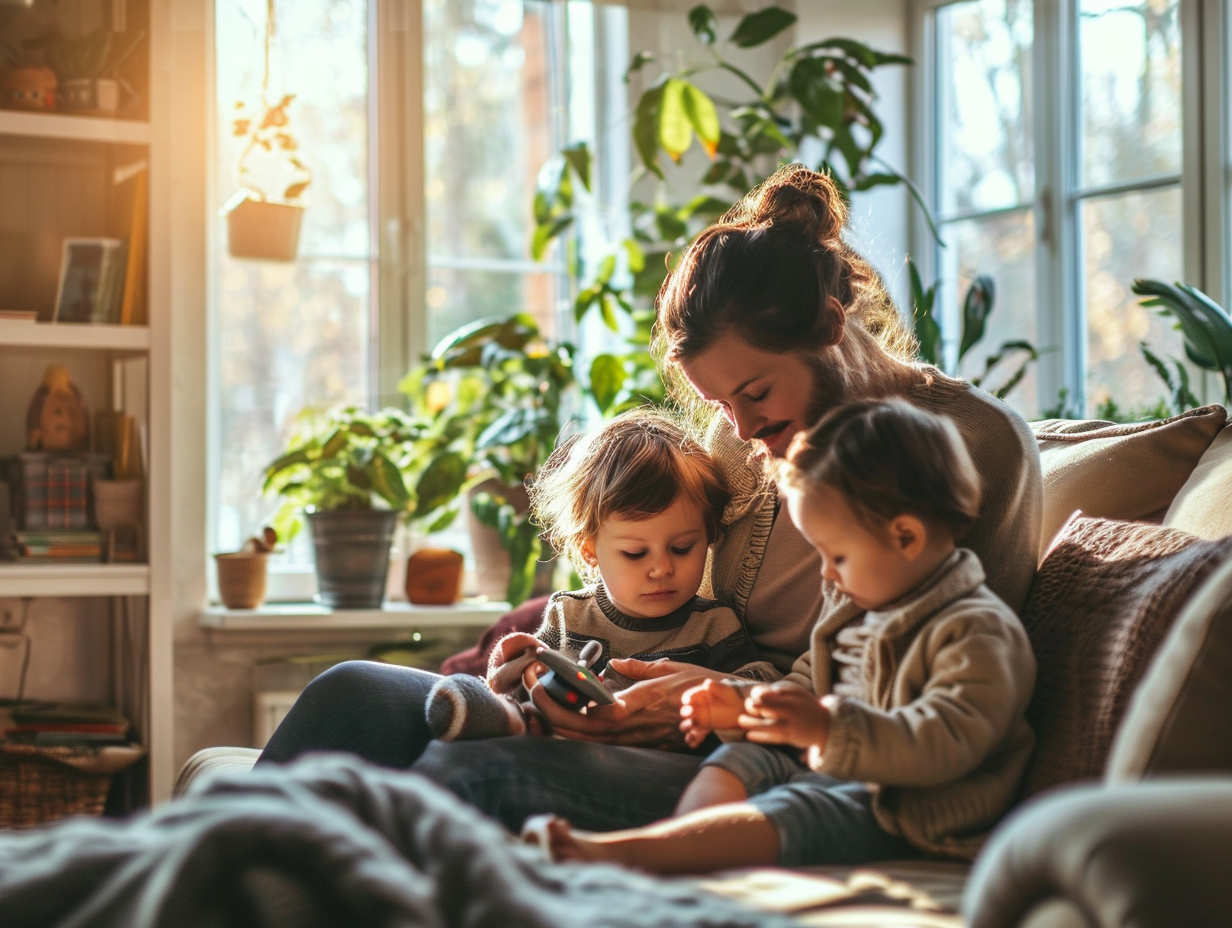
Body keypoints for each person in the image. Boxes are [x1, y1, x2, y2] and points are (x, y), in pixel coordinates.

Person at [258, 163, 1041, 838]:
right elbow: (652, 592)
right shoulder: (744, 439)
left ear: (831, 326)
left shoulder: (975, 443)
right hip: (677, 717)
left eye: (756, 391)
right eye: (719, 404)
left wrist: (717, 706)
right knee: (352, 692)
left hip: (790, 761)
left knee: (468, 774)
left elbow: (942, 670)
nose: (738, 427)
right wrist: (571, 677)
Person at [522, 398, 1036, 871]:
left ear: (905, 537)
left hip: (909, 809)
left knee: (796, 810)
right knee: (742, 757)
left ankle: (633, 857)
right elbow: (804, 689)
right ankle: (680, 845)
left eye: (837, 556)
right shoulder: (858, 606)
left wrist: (825, 730)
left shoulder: (978, 632)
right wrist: (740, 706)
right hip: (835, 765)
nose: (827, 576)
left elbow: (945, 742)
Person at [424, 408, 766, 743]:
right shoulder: (568, 614)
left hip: (659, 763)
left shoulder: (714, 624)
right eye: (635, 553)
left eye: (682, 548)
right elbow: (536, 684)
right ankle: (500, 717)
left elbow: (758, 690)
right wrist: (521, 666)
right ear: (589, 550)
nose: (662, 568)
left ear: (708, 537)